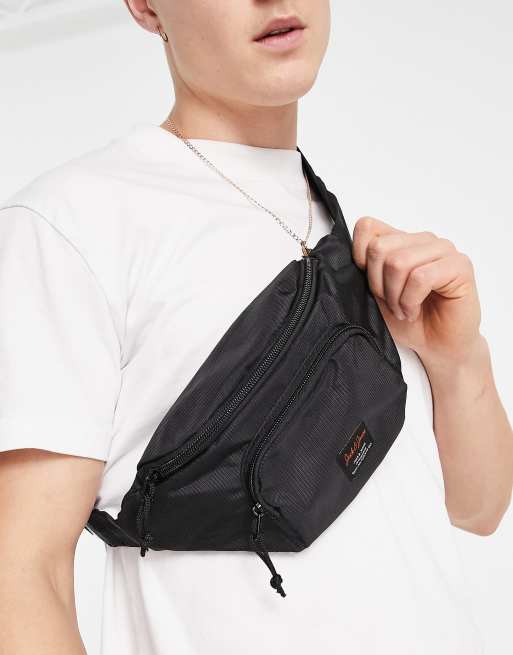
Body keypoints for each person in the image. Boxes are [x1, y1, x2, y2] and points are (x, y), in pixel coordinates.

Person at [0, 1, 511, 654]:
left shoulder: (340, 230)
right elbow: (22, 577)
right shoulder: (71, 226)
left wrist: (457, 358)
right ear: (146, 6)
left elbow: (478, 508)